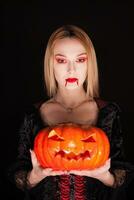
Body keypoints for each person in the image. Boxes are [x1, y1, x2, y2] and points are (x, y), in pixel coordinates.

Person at [8, 24, 134, 200]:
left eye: (80, 60)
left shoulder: (108, 112)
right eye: (61, 60)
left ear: (90, 63)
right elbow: (18, 174)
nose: (71, 70)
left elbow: (121, 173)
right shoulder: (33, 114)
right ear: (50, 64)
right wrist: (35, 176)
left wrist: (104, 176)